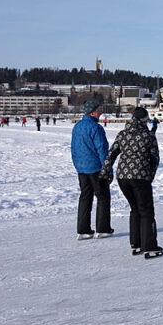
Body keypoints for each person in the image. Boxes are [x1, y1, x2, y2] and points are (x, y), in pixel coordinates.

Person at [102, 107, 162, 257]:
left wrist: (104, 172)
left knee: (135, 209)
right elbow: (154, 158)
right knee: (146, 211)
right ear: (144, 121)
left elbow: (111, 154)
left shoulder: (122, 134)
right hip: (140, 177)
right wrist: (150, 175)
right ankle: (149, 246)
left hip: (123, 177)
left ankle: (136, 243)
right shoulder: (148, 136)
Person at [70, 100, 113, 240]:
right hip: (95, 168)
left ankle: (83, 230)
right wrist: (108, 169)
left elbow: (74, 148)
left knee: (85, 197)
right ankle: (103, 228)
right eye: (99, 109)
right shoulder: (96, 127)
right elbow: (102, 150)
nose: (101, 112)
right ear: (93, 111)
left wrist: (77, 164)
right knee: (103, 197)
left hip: (82, 168)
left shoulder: (77, 126)